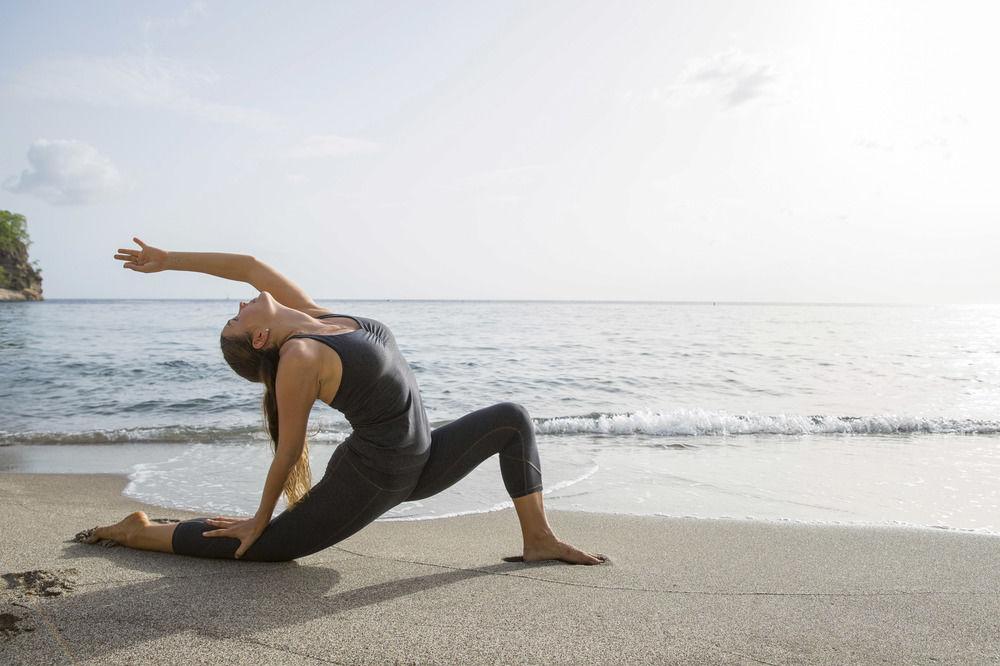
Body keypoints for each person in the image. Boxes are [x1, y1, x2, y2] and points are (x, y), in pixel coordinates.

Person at [85, 237, 607, 565]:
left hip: (423, 460)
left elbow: (247, 264)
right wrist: (258, 516)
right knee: (268, 548)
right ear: (261, 340)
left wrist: (168, 260)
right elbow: (289, 450)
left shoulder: (318, 316)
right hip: (374, 475)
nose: (241, 305)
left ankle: (538, 537)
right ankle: (145, 533)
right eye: (235, 319)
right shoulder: (301, 357)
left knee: (511, 419)